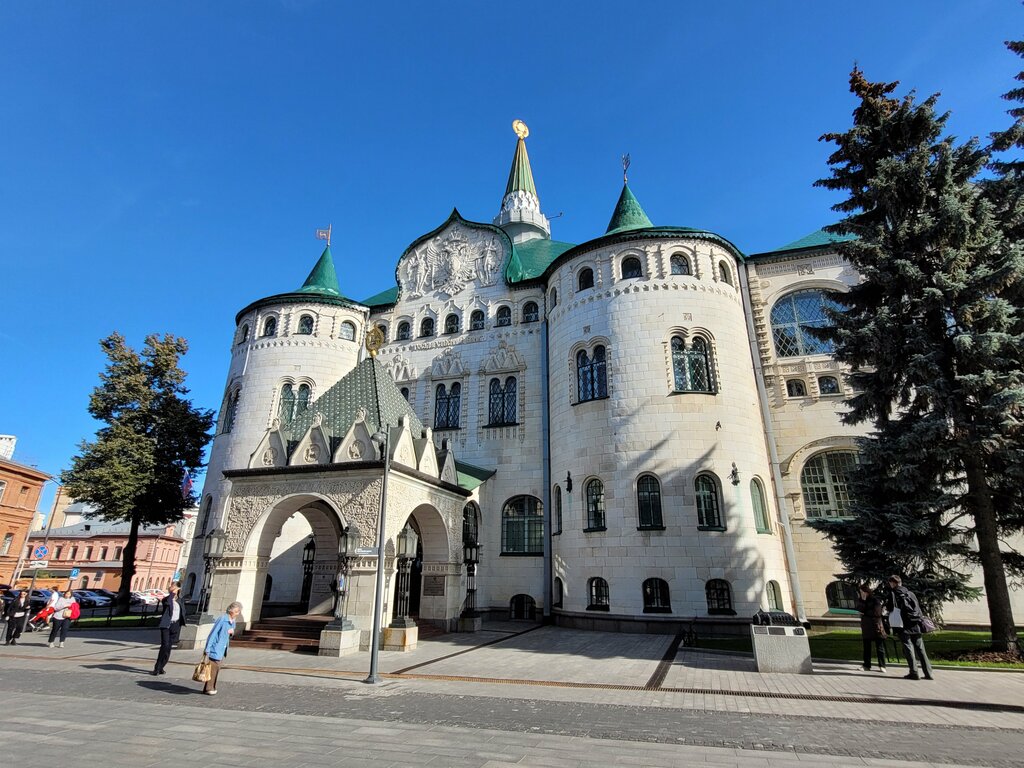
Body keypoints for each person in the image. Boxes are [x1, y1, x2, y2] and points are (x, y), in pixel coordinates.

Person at [887, 575, 934, 680]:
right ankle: (928, 673)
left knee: (908, 648)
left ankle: (914, 672)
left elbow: (890, 608)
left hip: (902, 625)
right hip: (915, 624)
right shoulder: (910, 593)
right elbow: (917, 608)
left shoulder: (893, 594)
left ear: (892, 583)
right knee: (921, 649)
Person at [202, 601, 242, 695]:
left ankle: (209, 688)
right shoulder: (222, 619)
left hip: (222, 648)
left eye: (238, 612)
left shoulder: (232, 621)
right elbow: (213, 633)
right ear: (231, 611)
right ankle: (209, 688)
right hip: (215, 647)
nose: (238, 614)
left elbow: (230, 634)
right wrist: (207, 648)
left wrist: (231, 633)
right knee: (213, 668)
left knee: (216, 668)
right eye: (236, 611)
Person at [153, 581, 188, 675]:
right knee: (165, 645)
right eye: (172, 587)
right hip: (166, 625)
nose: (171, 588)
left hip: (175, 625)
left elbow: (183, 611)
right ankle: (157, 668)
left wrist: (181, 622)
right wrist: (172, 594)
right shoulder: (167, 599)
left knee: (169, 647)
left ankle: (162, 666)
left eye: (173, 587)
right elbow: (167, 603)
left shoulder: (180, 600)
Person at [856, 583, 887, 673]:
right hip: (866, 626)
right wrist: (863, 601)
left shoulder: (875, 600)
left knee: (880, 647)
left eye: (862, 592)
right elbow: (860, 610)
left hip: (876, 625)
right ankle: (866, 665)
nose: (861, 594)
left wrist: (865, 613)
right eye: (860, 592)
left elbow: (877, 613)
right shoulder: (861, 601)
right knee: (866, 647)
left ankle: (882, 665)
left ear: (867, 592)